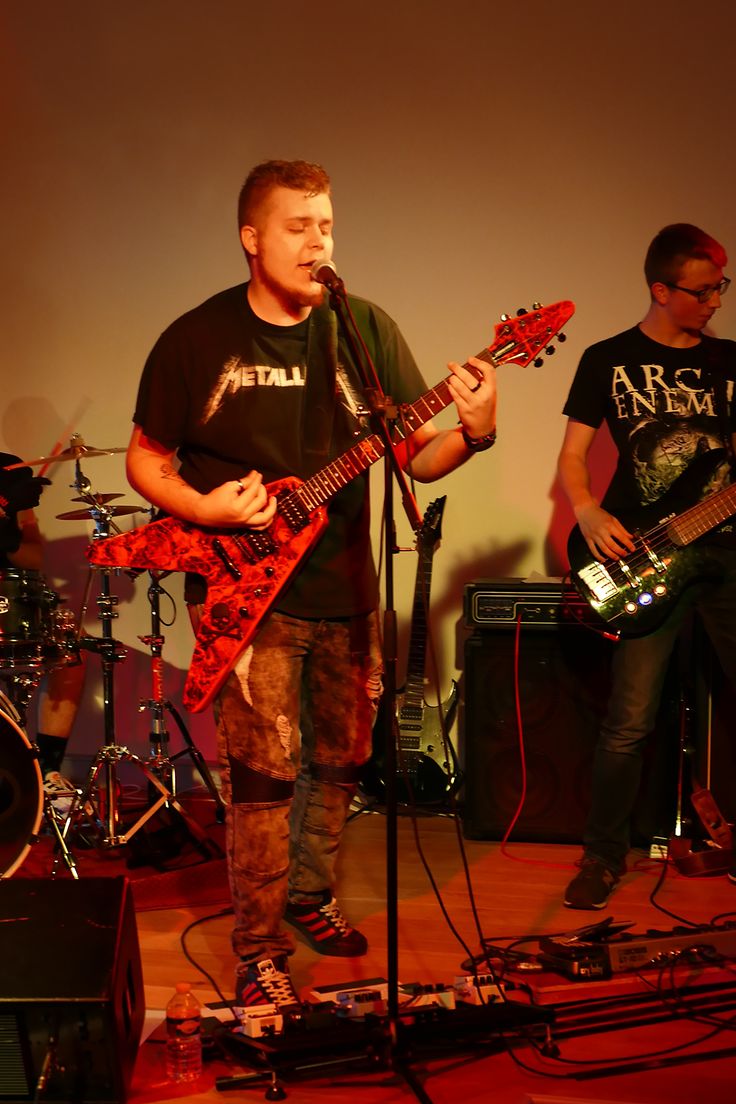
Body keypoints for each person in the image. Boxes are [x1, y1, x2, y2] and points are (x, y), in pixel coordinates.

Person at [125, 159, 498, 1009]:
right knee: (262, 779)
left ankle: (309, 894)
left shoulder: (362, 330)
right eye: (298, 226)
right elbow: (145, 460)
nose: (318, 241)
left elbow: (415, 457)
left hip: (348, 589)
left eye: (326, 225)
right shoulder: (195, 339)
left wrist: (474, 434)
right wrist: (206, 507)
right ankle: (257, 948)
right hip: (249, 594)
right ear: (251, 239)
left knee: (340, 762)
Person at [558, 222, 736, 910]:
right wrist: (588, 509)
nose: (716, 302)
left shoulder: (732, 360)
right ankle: (602, 857)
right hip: (647, 554)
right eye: (703, 291)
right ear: (661, 289)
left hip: (731, 554)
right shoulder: (607, 359)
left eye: (719, 288)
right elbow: (572, 456)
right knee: (629, 720)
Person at [0, 454, 86, 807]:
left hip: (9, 597)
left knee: (70, 647)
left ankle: (48, 771)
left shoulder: (9, 470)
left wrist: (6, 537)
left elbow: (34, 558)